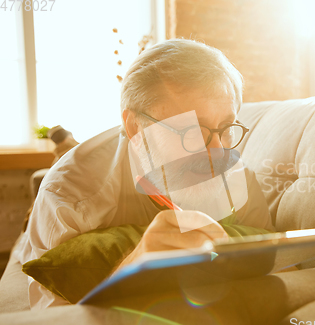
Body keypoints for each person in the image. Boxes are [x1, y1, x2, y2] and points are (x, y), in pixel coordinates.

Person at [17, 39, 274, 309]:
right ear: (136, 128)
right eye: (192, 130)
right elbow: (53, 320)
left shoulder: (234, 172)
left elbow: (277, 264)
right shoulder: (68, 196)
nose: (218, 152)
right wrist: (130, 273)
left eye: (225, 127)